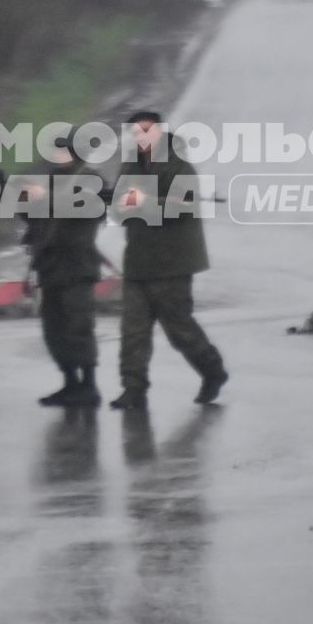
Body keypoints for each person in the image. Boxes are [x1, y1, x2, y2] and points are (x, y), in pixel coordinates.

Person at [112, 109, 228, 410]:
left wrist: (143, 202)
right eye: (136, 133)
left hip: (172, 263)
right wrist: (126, 205)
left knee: (179, 329)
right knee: (132, 331)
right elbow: (119, 210)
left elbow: (184, 207)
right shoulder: (131, 167)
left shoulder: (179, 166)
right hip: (139, 260)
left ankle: (212, 370)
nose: (141, 138)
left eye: (147, 131)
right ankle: (133, 388)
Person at [26, 134, 106, 408]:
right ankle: (70, 382)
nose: (57, 156)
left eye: (63, 151)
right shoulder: (52, 180)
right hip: (51, 268)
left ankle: (89, 385)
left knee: (78, 327)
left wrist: (45, 199)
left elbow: (82, 210)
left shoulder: (89, 180)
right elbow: (34, 219)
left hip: (76, 266)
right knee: (54, 330)